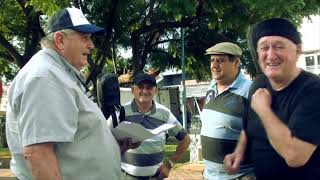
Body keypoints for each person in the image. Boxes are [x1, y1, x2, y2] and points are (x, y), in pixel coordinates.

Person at [6, 7, 125, 179]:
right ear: (60, 40)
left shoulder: (58, 72)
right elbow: (38, 153)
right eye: (84, 38)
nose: (91, 45)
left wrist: (114, 145)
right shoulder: (46, 77)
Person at [224, 18, 320, 180]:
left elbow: (295, 156)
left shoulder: (313, 91)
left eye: (279, 46)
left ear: (298, 50)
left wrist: (264, 110)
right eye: (264, 48)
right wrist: (238, 152)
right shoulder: (259, 83)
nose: (271, 55)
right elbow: (248, 128)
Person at [118, 73, 191, 180]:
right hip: (126, 176)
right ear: (132, 90)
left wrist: (169, 165)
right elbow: (107, 143)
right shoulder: (121, 112)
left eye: (149, 87)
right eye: (140, 87)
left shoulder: (165, 114)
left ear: (155, 91)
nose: (145, 91)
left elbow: (186, 140)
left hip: (155, 177)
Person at [201, 42, 254, 179]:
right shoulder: (211, 88)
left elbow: (259, 133)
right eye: (212, 60)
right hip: (209, 175)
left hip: (239, 176)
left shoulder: (250, 91)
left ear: (236, 62)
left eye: (220, 60)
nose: (214, 65)